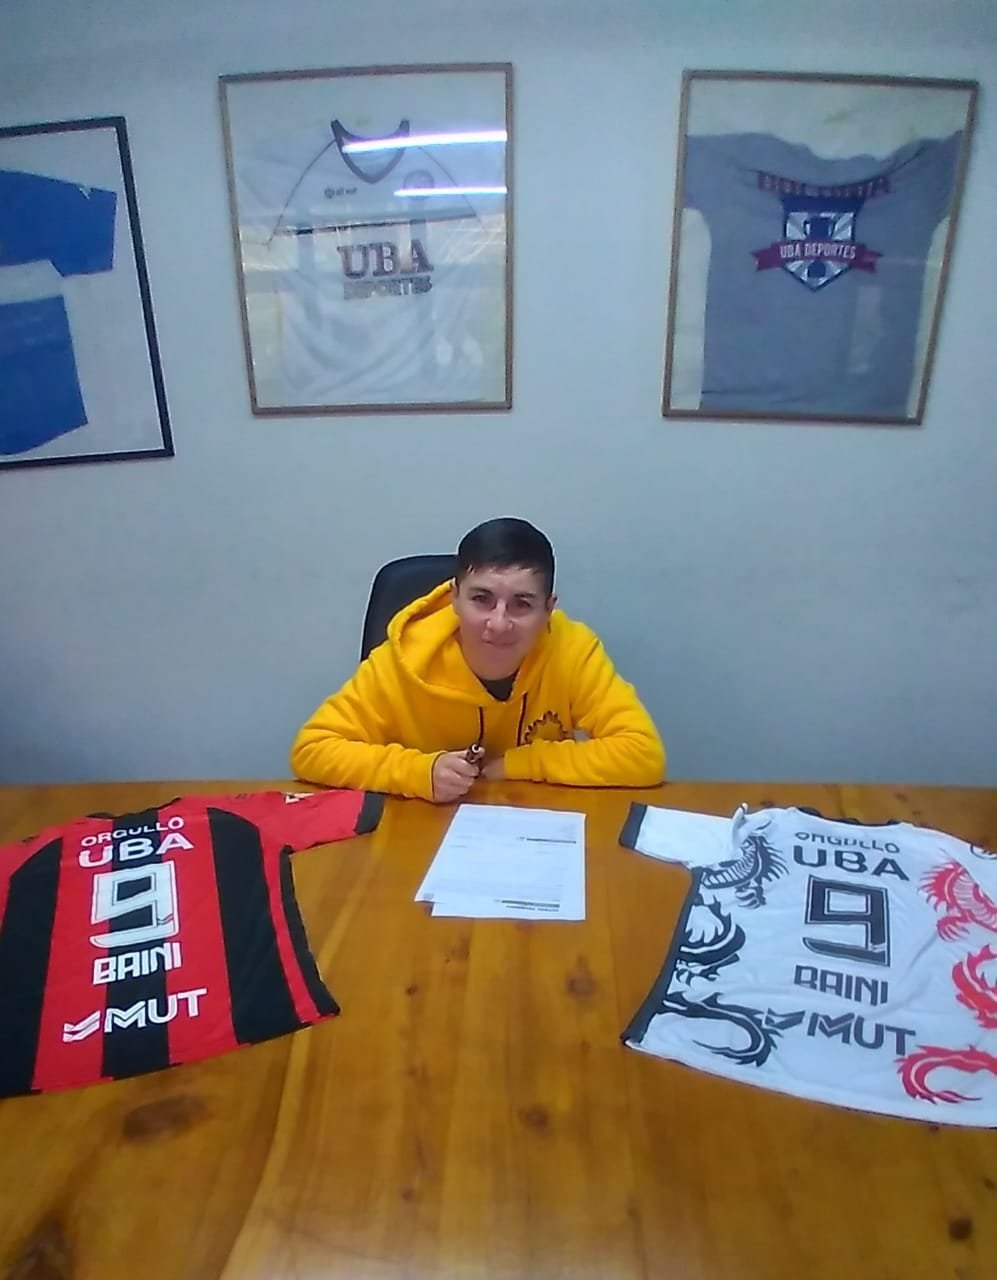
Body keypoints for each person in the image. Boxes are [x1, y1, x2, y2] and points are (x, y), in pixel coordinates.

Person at [290, 518, 665, 802]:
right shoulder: (401, 660)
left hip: (536, 829)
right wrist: (419, 772)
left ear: (548, 609)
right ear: (454, 598)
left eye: (522, 604)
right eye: (481, 599)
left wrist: (519, 764)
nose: (499, 623)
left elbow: (643, 754)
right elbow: (312, 749)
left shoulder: (574, 650)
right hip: (417, 834)